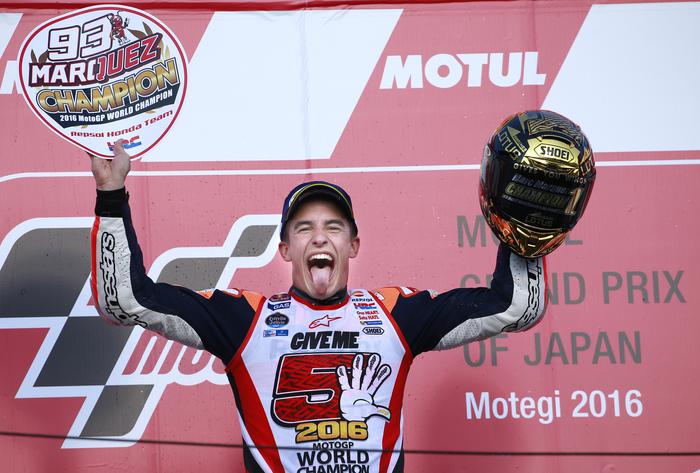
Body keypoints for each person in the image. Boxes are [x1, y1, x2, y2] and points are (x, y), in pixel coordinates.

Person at [90, 139, 546, 473]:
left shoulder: (395, 314)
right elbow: (125, 301)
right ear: (286, 249)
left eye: (333, 226)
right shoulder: (244, 318)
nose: (320, 236)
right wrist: (112, 195)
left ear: (354, 245)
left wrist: (530, 224)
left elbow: (514, 307)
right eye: (304, 228)